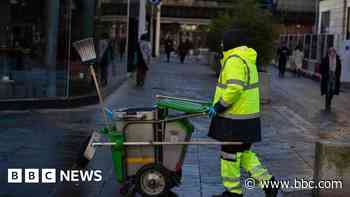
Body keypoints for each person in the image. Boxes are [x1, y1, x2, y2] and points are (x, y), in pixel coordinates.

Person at [208, 29, 279, 197]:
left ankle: (233, 192)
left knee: (229, 155)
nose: (221, 44)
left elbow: (235, 88)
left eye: (223, 41)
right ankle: (269, 183)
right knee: (245, 153)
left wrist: (219, 106)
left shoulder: (234, 60)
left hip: (235, 119)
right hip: (247, 119)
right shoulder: (246, 58)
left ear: (230, 42)